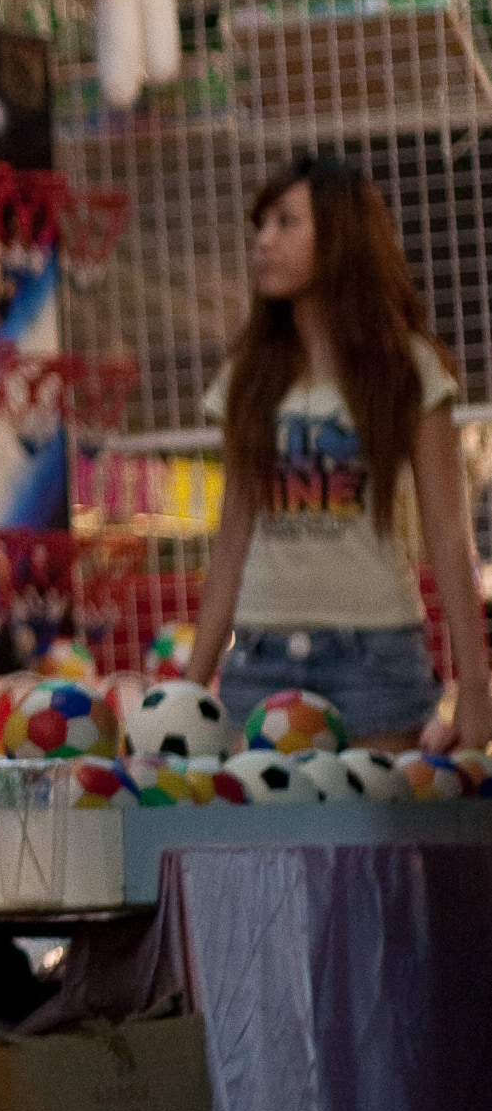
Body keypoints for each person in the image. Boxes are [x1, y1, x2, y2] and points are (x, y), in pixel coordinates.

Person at [190, 152, 490, 752]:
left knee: (378, 847)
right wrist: (185, 695)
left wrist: (477, 688)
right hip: (258, 657)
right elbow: (231, 541)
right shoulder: (247, 376)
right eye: (261, 226)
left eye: (285, 222)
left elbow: (448, 532)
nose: (263, 242)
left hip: (376, 657)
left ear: (340, 236)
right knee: (255, 845)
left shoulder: (407, 368)